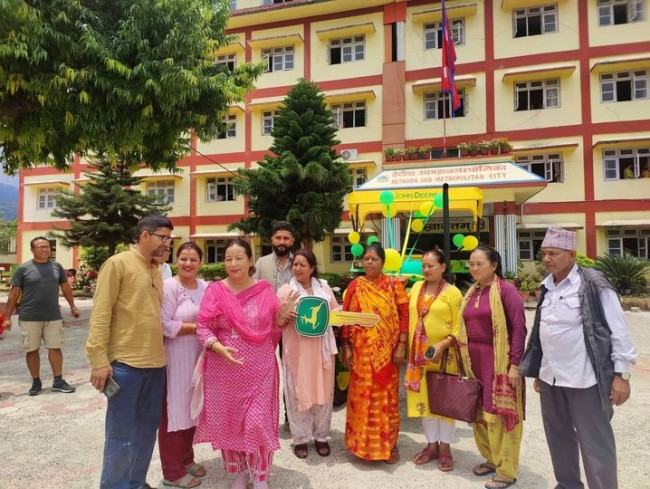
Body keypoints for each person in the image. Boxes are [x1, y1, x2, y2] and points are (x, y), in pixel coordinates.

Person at [519, 227, 637, 489]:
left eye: (553, 253)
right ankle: (568, 485)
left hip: (585, 379)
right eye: (544, 253)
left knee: (595, 443)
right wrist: (539, 371)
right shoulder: (547, 286)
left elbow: (619, 331)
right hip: (551, 379)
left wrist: (622, 375)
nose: (547, 258)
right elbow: (542, 332)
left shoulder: (593, 284)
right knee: (558, 438)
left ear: (571, 254)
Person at [194, 238, 299, 489]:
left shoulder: (263, 290)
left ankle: (260, 474)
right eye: (228, 258)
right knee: (229, 422)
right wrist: (217, 346)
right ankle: (239, 472)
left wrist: (282, 315)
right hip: (223, 370)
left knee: (256, 422)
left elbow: (275, 326)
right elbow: (203, 326)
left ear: (250, 261)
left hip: (259, 369)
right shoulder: (215, 291)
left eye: (239, 258)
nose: (233, 263)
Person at [86, 214, 174, 489]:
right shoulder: (117, 264)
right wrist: (99, 359)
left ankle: (135, 482)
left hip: (156, 364)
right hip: (125, 365)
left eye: (169, 239)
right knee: (121, 436)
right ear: (145, 235)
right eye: (163, 237)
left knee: (146, 431)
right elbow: (101, 313)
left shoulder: (156, 270)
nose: (168, 243)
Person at [458, 245, 526, 489]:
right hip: (474, 362)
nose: (474, 268)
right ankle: (491, 458)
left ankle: (506, 471)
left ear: (494, 265)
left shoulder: (507, 291)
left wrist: (515, 365)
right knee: (479, 414)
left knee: (501, 414)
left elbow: (519, 329)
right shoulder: (472, 291)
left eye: (480, 263)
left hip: (499, 363)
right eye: (471, 264)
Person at [340, 243, 409, 464]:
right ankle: (359, 444)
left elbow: (404, 315)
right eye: (366, 258)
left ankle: (390, 445)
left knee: (386, 399)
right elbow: (346, 317)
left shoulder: (394, 285)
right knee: (362, 397)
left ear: (383, 262)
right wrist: (346, 346)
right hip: (360, 352)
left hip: (388, 353)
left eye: (374, 259)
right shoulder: (355, 286)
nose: (369, 262)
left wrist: (401, 345)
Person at [276, 249, 339, 459]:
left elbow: (335, 311)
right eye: (295, 264)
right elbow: (276, 322)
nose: (297, 268)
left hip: (322, 350)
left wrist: (334, 315)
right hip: (298, 351)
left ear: (312, 268)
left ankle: (321, 436)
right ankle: (300, 438)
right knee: (298, 392)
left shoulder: (324, 288)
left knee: (324, 393)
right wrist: (284, 314)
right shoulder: (286, 291)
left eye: (302, 264)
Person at [405, 249, 463, 472]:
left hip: (444, 357)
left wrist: (442, 345)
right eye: (424, 266)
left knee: (444, 402)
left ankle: (445, 448)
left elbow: (461, 327)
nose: (426, 269)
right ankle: (431, 445)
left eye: (431, 265)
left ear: (443, 267)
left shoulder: (453, 293)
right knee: (424, 401)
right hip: (419, 358)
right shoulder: (416, 288)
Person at [2, 237, 79, 396]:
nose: (45, 249)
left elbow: (65, 288)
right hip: (29, 317)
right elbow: (14, 294)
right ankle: (36, 382)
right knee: (32, 350)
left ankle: (58, 381)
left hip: (53, 316)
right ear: (32, 250)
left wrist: (72, 306)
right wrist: (7, 317)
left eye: (47, 247)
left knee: (55, 348)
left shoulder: (57, 267)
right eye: (41, 247)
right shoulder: (23, 269)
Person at [158, 242, 208, 488]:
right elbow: (163, 324)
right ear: (176, 261)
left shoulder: (205, 287)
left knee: (192, 409)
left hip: (199, 358)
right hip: (175, 358)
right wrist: (196, 328)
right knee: (173, 412)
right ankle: (172, 471)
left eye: (193, 259)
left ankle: (186, 458)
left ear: (201, 262)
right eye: (183, 259)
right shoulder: (169, 287)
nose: (188, 264)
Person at [253, 220, 295, 291]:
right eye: (278, 238)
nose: (282, 242)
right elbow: (254, 290)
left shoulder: (298, 263)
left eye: (286, 238)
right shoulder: (261, 263)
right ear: (272, 240)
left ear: (292, 241)